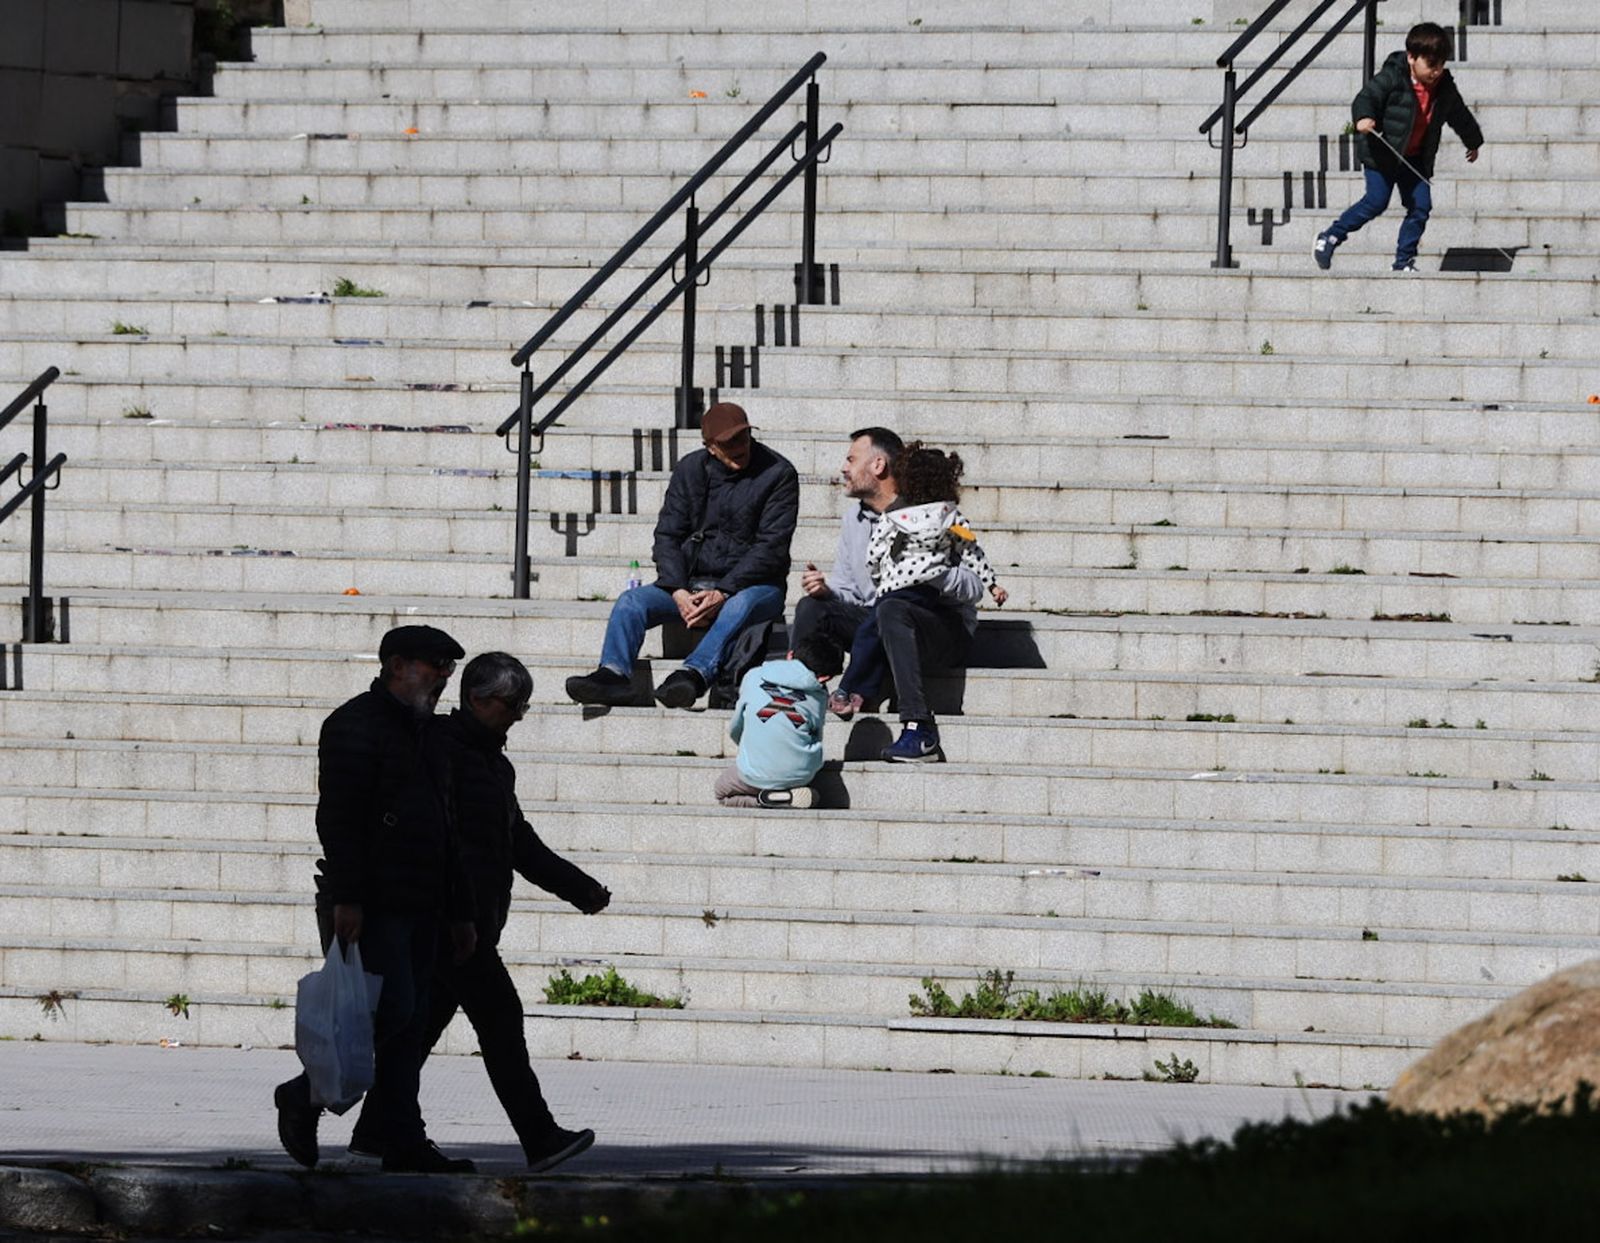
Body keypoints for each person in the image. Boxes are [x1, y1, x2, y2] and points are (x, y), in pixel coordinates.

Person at [348, 652, 611, 1173]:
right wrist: (456, 914)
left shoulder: (492, 762)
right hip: (447, 924)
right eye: (512, 704)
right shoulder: (441, 753)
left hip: (468, 926)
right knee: (501, 1022)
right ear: (476, 699)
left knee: (416, 1038)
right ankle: (540, 1138)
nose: (517, 715)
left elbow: (518, 842)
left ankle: (373, 1134)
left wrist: (580, 889)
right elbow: (440, 843)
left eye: (524, 706)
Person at [273, 624, 478, 1174]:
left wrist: (460, 910)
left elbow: (447, 825)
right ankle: (304, 1094)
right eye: (434, 664)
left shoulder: (431, 736)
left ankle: (403, 1141)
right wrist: (349, 898)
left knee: (407, 1030)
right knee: (391, 1012)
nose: (442, 677)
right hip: (372, 903)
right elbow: (338, 819)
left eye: (448, 668)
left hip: (423, 901)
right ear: (396, 665)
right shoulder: (353, 725)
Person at [565, 401, 799, 710]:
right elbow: (667, 535)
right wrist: (676, 589)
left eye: (743, 438)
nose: (739, 446)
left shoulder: (778, 473)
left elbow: (771, 548)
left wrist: (724, 591)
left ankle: (694, 674)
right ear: (710, 447)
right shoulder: (691, 469)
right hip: (690, 583)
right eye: (729, 443)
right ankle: (613, 675)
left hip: (755, 587)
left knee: (739, 604)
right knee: (631, 602)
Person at [793, 428, 985, 764]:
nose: (843, 468)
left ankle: (919, 729)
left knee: (894, 607)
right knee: (814, 607)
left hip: (941, 630)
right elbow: (851, 591)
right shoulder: (855, 519)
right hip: (879, 622)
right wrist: (827, 590)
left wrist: (930, 573)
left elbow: (974, 584)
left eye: (852, 459)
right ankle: (798, 706)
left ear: (878, 465)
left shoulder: (935, 514)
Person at [829, 443, 1006, 730]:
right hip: (899, 605)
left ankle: (910, 718)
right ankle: (847, 690)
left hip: (946, 626)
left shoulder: (936, 520)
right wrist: (993, 584)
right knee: (870, 613)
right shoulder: (924, 519)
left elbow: (875, 556)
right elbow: (972, 550)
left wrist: (934, 576)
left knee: (887, 612)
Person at [1314, 21, 1483, 273]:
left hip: (1415, 158)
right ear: (1412, 57)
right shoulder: (1393, 76)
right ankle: (1330, 236)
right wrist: (1363, 118)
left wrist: (1473, 141)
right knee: (1376, 201)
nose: (1436, 72)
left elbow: (1459, 114)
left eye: (1441, 65)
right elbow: (1366, 97)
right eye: (1431, 65)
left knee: (1420, 207)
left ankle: (1403, 261)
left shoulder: (1444, 87)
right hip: (1383, 153)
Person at [713, 633, 844, 810]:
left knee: (721, 793)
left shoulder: (754, 676)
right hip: (800, 775)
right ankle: (787, 796)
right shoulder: (818, 696)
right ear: (824, 678)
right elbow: (816, 735)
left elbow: (736, 727)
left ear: (790, 655)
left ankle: (761, 800)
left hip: (753, 773)